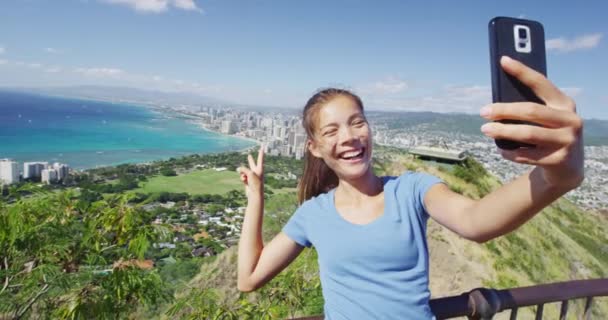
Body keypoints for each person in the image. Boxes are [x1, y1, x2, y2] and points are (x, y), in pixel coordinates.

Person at [236, 56, 584, 319]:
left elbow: (476, 220)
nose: (349, 137)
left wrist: (555, 175)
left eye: (357, 123)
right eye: (331, 131)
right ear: (314, 147)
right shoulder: (313, 215)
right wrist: (256, 198)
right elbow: (249, 279)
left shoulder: (412, 190)